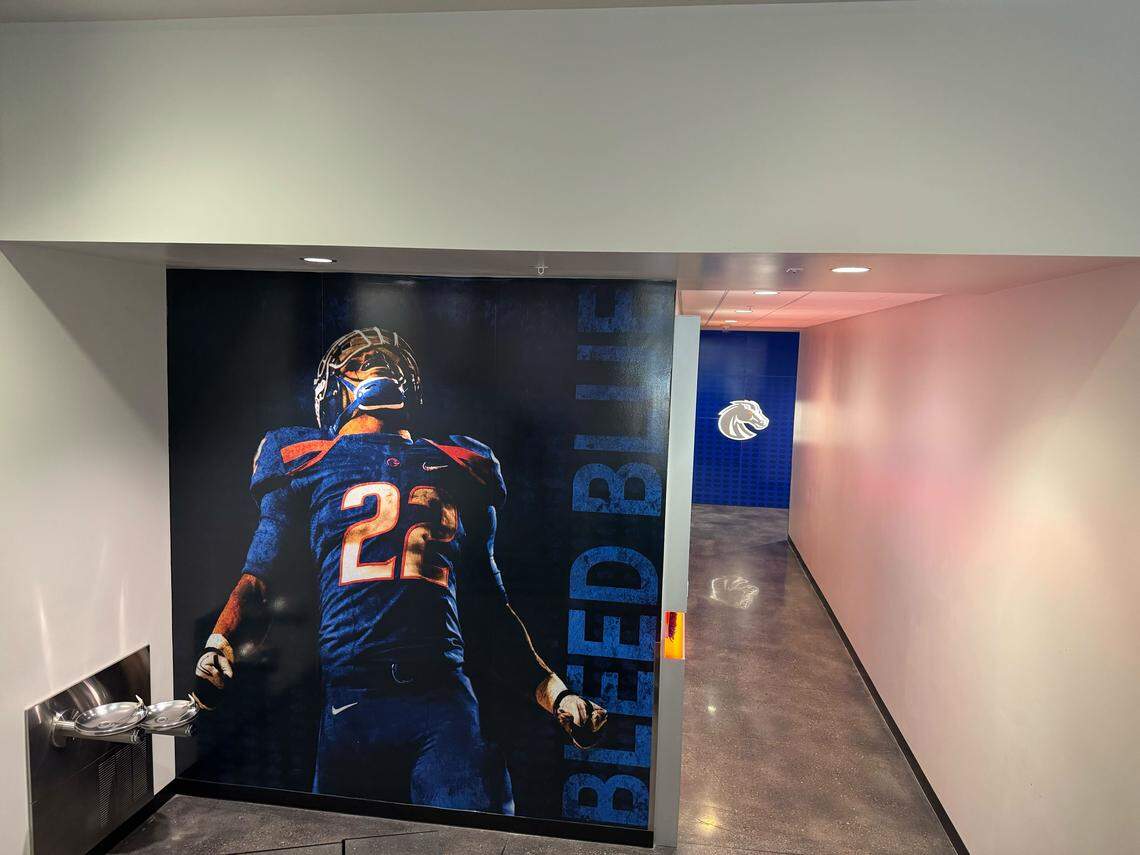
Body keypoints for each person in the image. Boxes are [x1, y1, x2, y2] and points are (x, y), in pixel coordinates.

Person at [194, 326, 606, 812]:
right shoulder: (308, 458)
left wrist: (556, 694)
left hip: (442, 702)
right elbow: (261, 579)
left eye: (384, 360)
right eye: (358, 362)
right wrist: (221, 643)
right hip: (351, 701)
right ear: (332, 393)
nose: (375, 365)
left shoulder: (458, 462)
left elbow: (491, 613)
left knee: (470, 846)